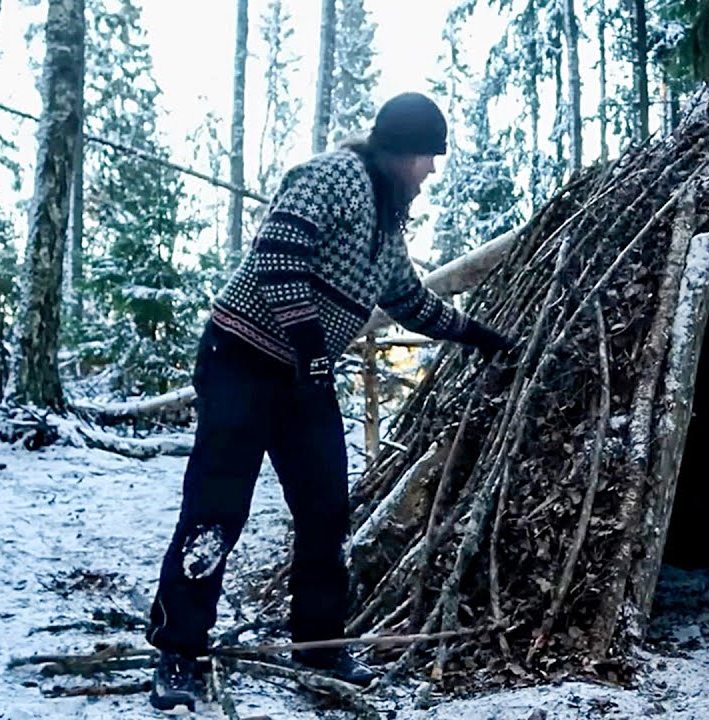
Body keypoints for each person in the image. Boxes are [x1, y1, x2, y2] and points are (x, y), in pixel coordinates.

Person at [146, 92, 513, 712]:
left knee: (325, 509)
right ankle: (179, 649)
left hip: (301, 375)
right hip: (241, 359)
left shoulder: (386, 224)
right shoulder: (334, 175)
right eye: (428, 157)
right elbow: (277, 258)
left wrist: (478, 336)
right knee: (216, 507)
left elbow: (410, 302)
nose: (431, 172)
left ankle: (318, 645)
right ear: (400, 150)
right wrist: (312, 346)